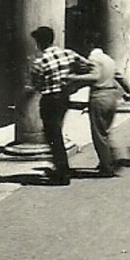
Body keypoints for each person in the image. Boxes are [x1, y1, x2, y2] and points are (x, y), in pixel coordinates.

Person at [27, 25, 90, 185]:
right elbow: (86, 64)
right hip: (64, 97)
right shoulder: (67, 53)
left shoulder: (39, 62)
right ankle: (61, 168)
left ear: (39, 42)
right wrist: (71, 78)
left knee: (53, 136)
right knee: (56, 133)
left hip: (49, 100)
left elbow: (37, 84)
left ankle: (62, 173)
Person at [83, 44, 130, 176]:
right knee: (106, 131)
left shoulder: (93, 60)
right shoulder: (109, 59)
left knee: (99, 134)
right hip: (112, 97)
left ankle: (106, 166)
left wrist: (73, 79)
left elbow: (94, 76)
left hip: (99, 96)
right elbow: (120, 77)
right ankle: (111, 158)